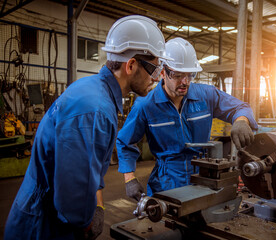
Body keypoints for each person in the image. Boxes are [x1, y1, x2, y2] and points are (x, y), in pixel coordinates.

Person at [4, 15, 170, 239]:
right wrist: (85, 222)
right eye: (154, 68)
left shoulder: (95, 91)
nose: (157, 77)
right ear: (131, 65)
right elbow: (73, 197)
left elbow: (89, 169)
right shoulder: (95, 111)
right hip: (43, 226)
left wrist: (98, 206)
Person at [117, 37, 258, 200]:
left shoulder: (206, 95)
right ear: (163, 72)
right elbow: (125, 142)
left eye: (190, 75)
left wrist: (241, 120)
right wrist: (130, 179)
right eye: (177, 75)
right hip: (166, 181)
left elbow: (240, 107)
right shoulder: (146, 105)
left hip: (205, 176)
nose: (185, 82)